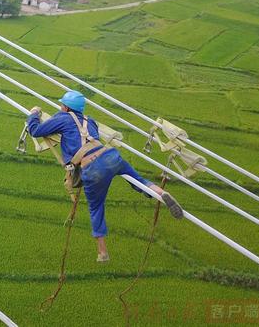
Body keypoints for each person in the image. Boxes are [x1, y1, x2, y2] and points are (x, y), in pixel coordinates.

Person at [27, 90, 183, 262]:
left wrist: (34, 113)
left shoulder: (62, 119)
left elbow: (35, 131)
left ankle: (103, 252)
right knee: (139, 180)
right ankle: (162, 193)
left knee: (96, 208)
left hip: (93, 167)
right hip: (111, 157)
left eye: (61, 105)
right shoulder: (89, 121)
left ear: (65, 107)